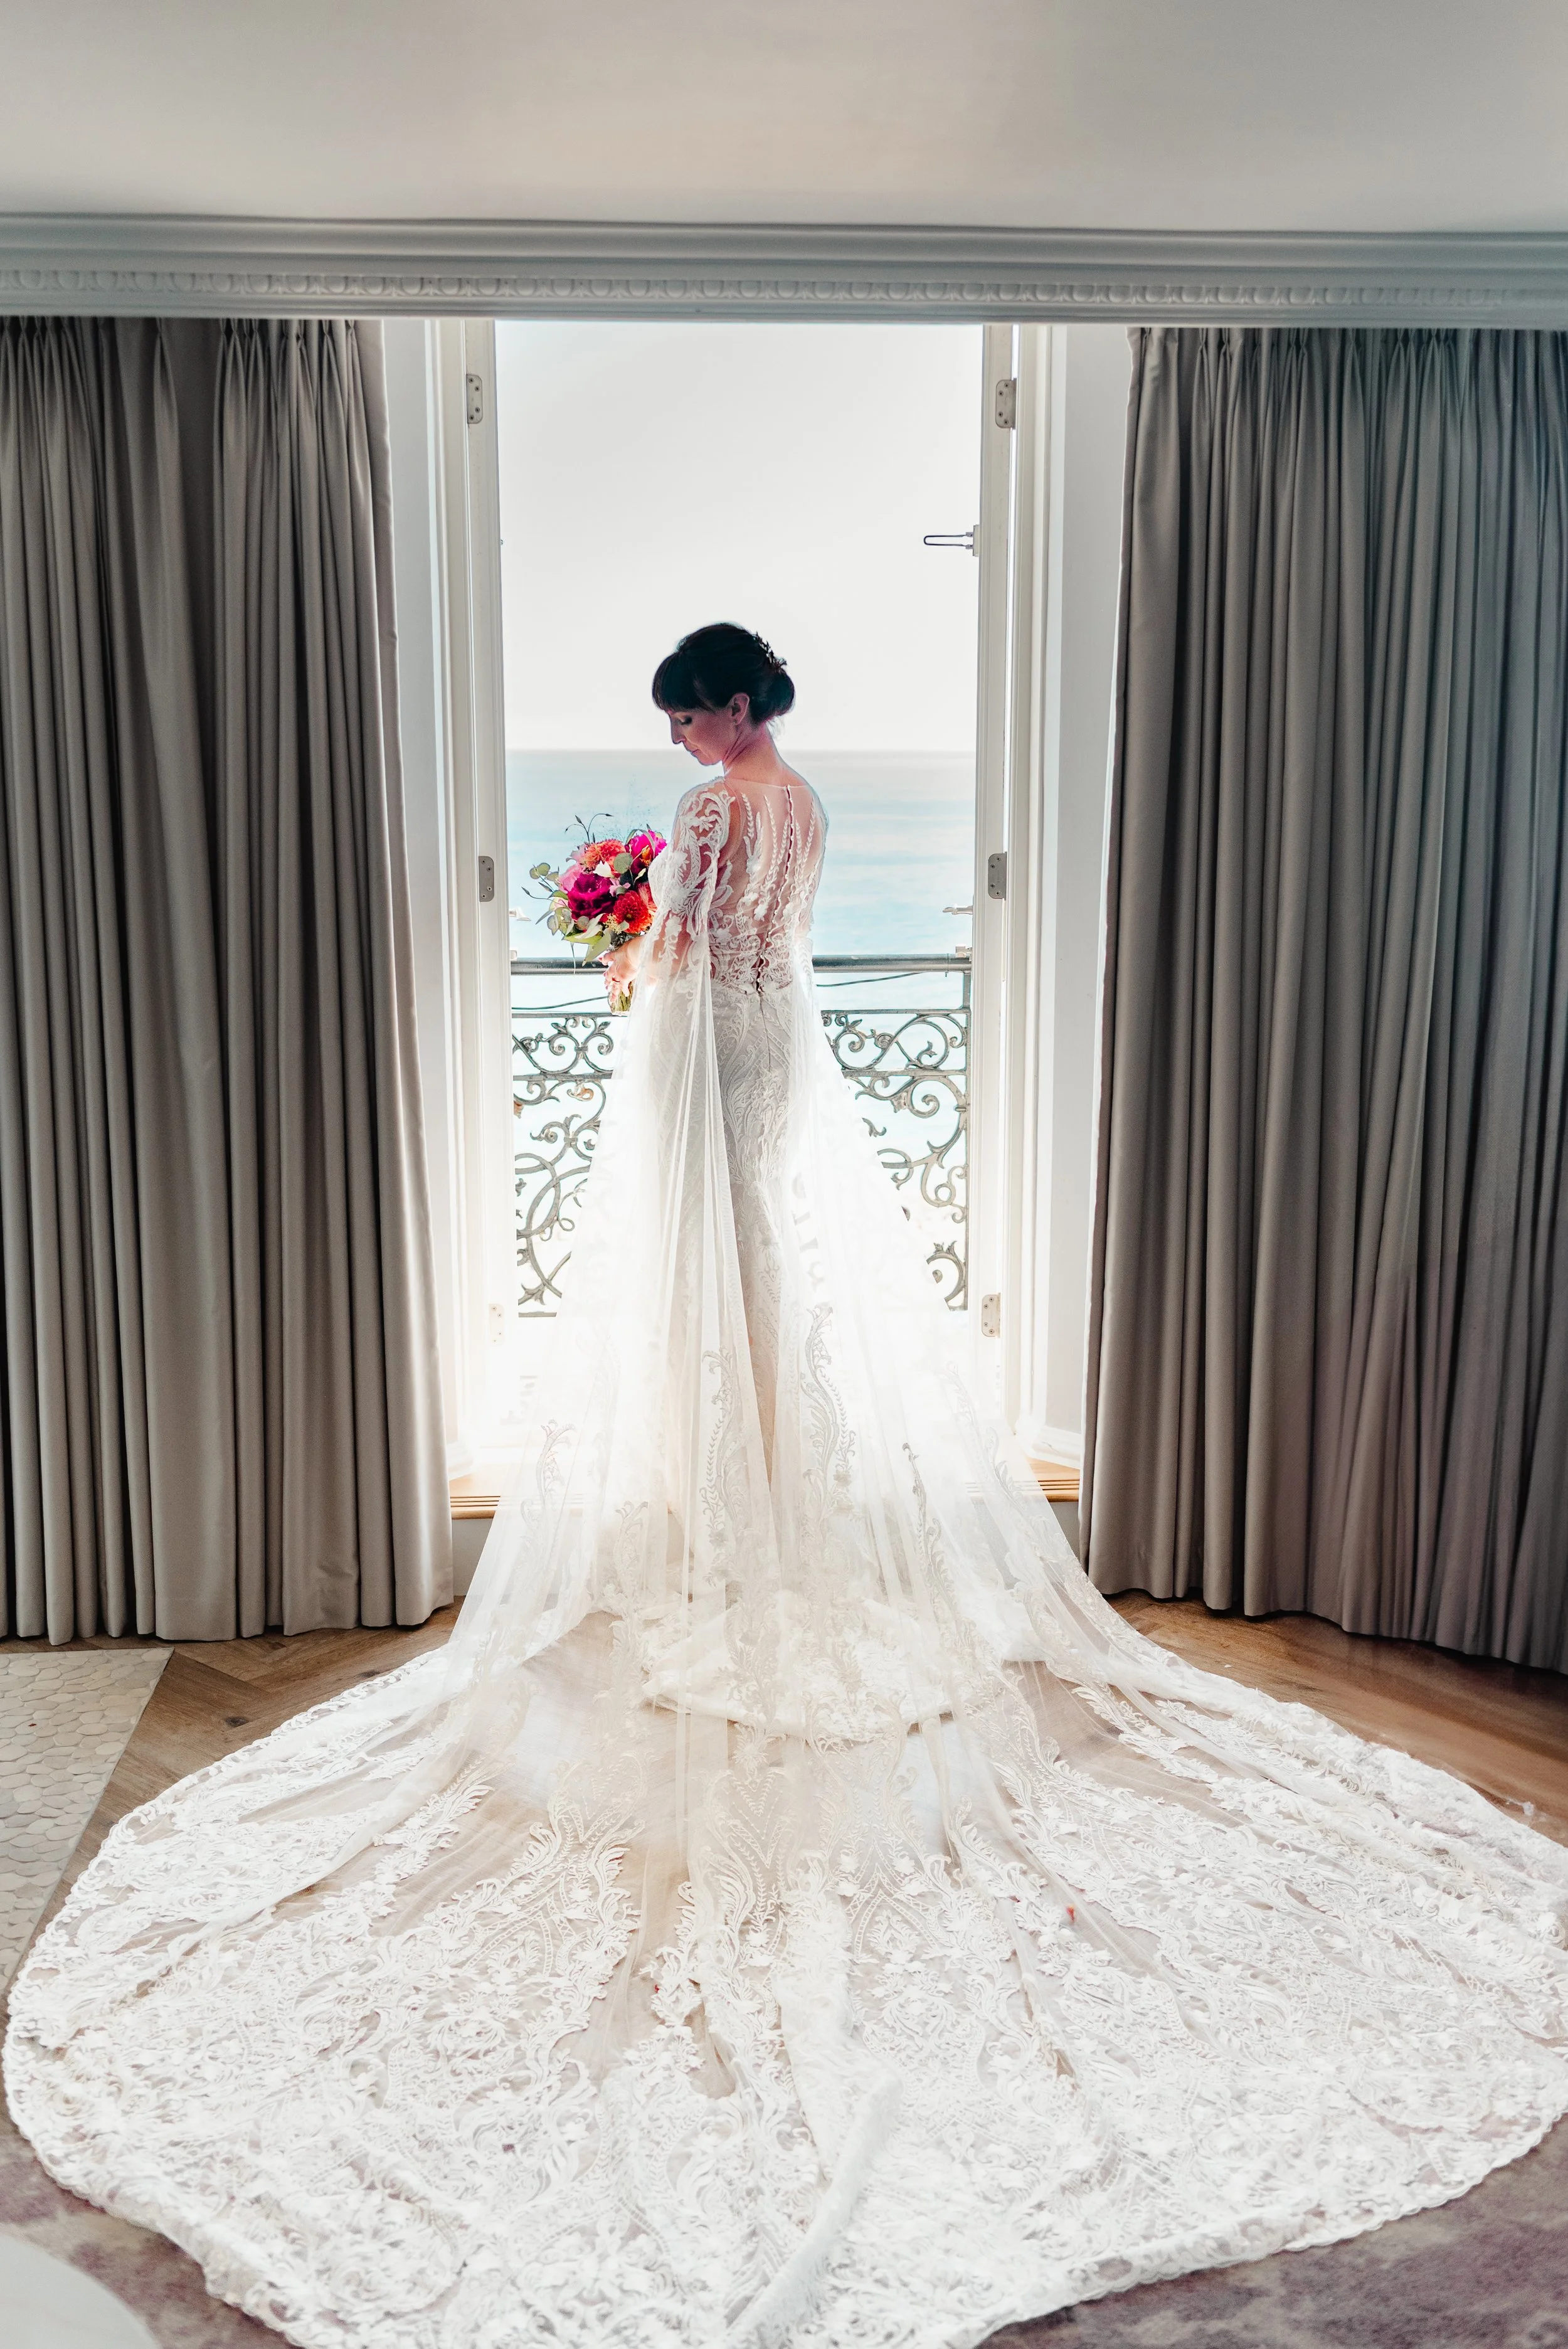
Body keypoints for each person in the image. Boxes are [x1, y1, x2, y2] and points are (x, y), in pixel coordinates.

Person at [8, 623, 1568, 2349]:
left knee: (704, 1292)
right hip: (778, 1066)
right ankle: (746, 1489)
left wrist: (617, 948)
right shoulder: (805, 799)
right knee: (756, 1296)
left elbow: (684, 947)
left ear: (735, 700)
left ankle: (720, 1501)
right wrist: (657, 938)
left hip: (701, 1064)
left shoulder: (710, 809)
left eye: (689, 702)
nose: (680, 728)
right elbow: (771, 944)